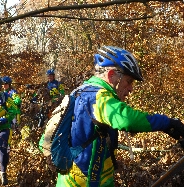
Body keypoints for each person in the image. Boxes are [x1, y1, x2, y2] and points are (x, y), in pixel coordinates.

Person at [55, 46, 184, 187]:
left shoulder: (79, 92)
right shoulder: (98, 97)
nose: (131, 89)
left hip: (68, 179)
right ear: (111, 75)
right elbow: (126, 119)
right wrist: (168, 123)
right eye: (129, 81)